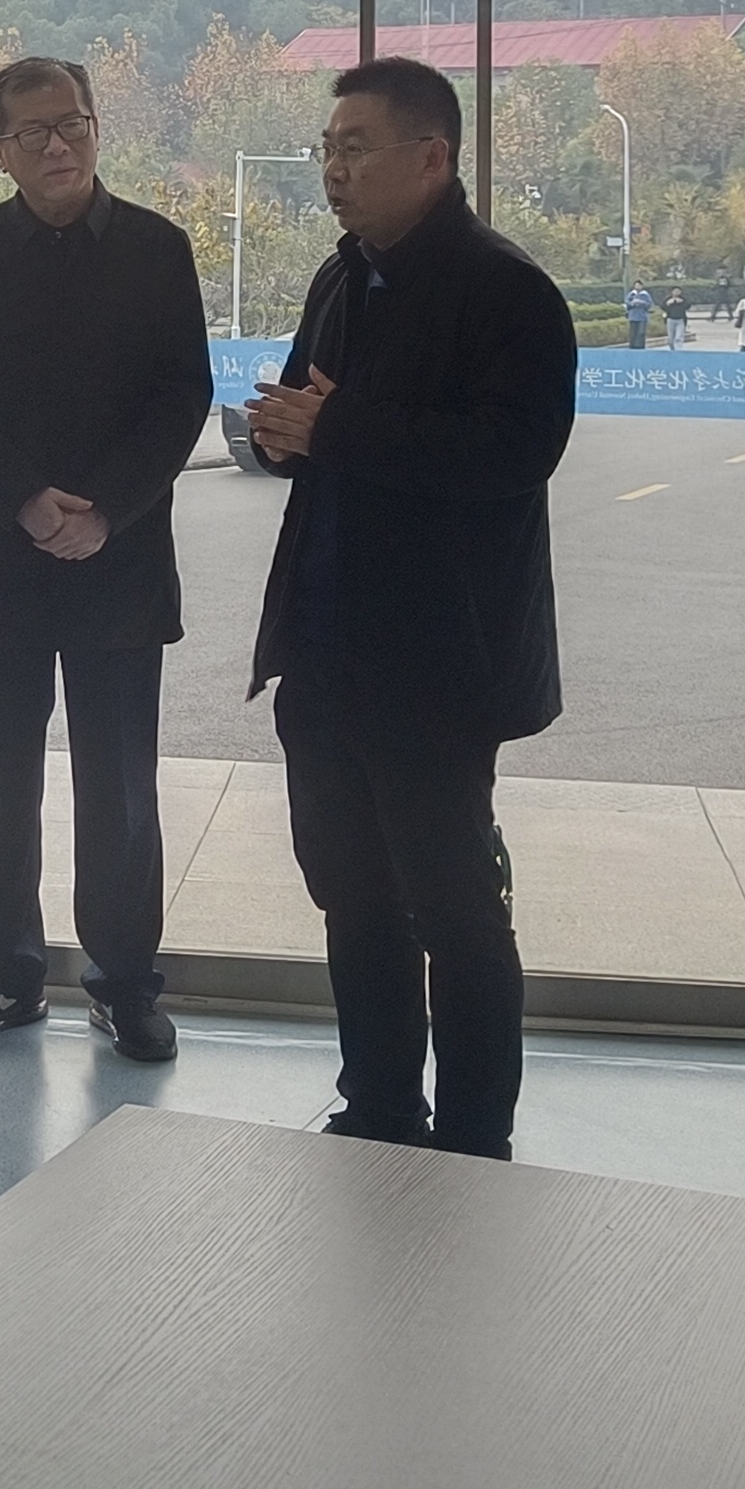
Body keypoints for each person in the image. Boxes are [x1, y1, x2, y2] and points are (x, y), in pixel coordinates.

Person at [243, 56, 577, 1162]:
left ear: (431, 157)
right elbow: (308, 421)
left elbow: (516, 454)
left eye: (355, 148)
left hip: (438, 663)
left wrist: (335, 430)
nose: (331, 169)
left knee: (456, 910)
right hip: (324, 652)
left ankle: (477, 1137)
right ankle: (379, 1106)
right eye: (327, 148)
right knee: (350, 895)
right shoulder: (342, 278)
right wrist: (283, 437)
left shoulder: (506, 291)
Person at [0, 56, 211, 1064]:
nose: (56, 144)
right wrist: (26, 502)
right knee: (2, 783)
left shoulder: (159, 249)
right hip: (1, 558)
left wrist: (105, 510)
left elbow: (182, 395)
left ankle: (123, 985)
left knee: (119, 787)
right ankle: (3, 976)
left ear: (96, 128)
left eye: (71, 122)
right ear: (0, 151)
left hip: (119, 560)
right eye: (32, 131)